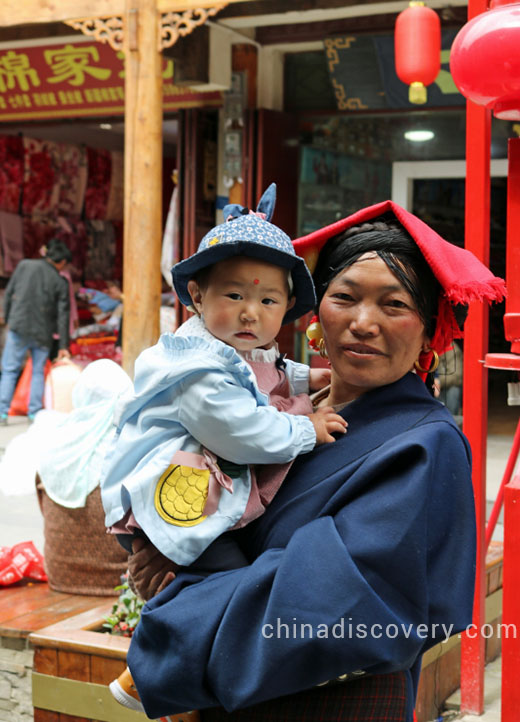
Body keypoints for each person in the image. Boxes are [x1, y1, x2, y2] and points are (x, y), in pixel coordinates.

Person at [117, 200, 505, 722]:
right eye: (344, 297)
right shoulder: (281, 411)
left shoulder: (423, 446)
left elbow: (335, 604)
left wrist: (181, 608)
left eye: (393, 305)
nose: (363, 322)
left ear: (428, 330)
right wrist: (170, 538)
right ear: (315, 314)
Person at [101, 183, 345, 588]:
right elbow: (240, 430)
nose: (250, 313)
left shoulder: (233, 344)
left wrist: (308, 376)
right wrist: (308, 428)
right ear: (197, 295)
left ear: (286, 308)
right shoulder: (196, 368)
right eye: (234, 295)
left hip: (204, 482)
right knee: (227, 578)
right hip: (175, 492)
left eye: (268, 301)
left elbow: (261, 372)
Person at [0, 239, 72, 424]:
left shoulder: (24, 266)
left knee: (9, 370)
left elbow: (9, 293)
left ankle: (2, 412)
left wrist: (8, 319)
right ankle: (34, 413)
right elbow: (63, 315)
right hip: (43, 332)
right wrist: (64, 345)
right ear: (62, 262)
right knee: (38, 371)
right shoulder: (60, 281)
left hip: (18, 327)